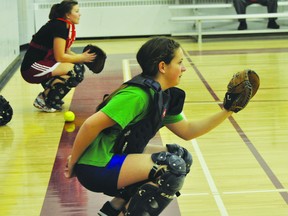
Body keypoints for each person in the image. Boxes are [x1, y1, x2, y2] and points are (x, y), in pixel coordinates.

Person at [64, 37, 234, 216]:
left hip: (113, 156)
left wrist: (228, 111)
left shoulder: (160, 95)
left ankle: (114, 209)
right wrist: (73, 162)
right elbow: (90, 125)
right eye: (180, 62)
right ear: (162, 66)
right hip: (96, 166)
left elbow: (188, 130)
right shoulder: (137, 96)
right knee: (172, 168)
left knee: (181, 156)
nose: (183, 68)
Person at [20, 0, 96, 112]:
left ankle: (52, 98)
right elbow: (60, 57)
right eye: (77, 11)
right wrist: (81, 58)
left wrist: (83, 59)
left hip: (44, 63)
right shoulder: (59, 26)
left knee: (78, 67)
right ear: (68, 15)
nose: (80, 14)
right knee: (75, 71)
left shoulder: (62, 24)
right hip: (32, 68)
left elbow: (67, 52)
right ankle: (43, 99)